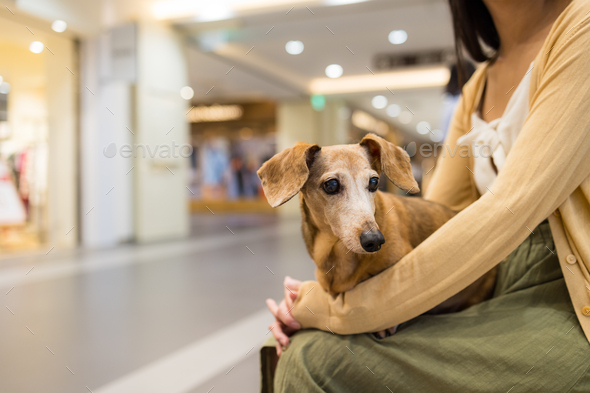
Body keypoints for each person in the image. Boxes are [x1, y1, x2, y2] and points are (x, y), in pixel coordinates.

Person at [266, 0, 590, 391]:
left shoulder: (582, 28)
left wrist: (326, 307)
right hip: (485, 268)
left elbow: (508, 211)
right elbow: (442, 215)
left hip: (568, 289)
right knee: (305, 351)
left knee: (317, 359)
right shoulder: (478, 86)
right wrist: (341, 283)